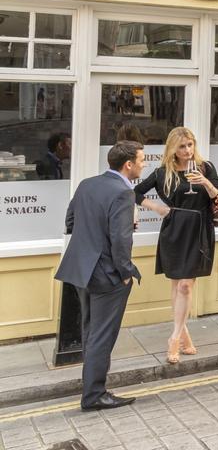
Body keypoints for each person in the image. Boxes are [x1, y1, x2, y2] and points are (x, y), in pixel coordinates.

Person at [55, 140, 144, 411]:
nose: (143, 164)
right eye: (141, 160)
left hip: (82, 269)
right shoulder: (123, 193)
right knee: (102, 336)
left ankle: (92, 390)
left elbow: (70, 222)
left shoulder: (87, 184)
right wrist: (126, 272)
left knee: (91, 332)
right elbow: (120, 241)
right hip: (108, 274)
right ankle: (94, 395)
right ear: (128, 164)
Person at [134, 127, 218, 364]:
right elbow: (136, 192)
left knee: (185, 286)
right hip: (174, 228)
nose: (188, 150)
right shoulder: (163, 173)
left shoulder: (205, 167)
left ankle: (174, 338)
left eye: (190, 145)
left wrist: (204, 182)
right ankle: (184, 334)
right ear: (173, 148)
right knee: (177, 284)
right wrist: (157, 208)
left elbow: (217, 195)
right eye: (182, 146)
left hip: (199, 227)